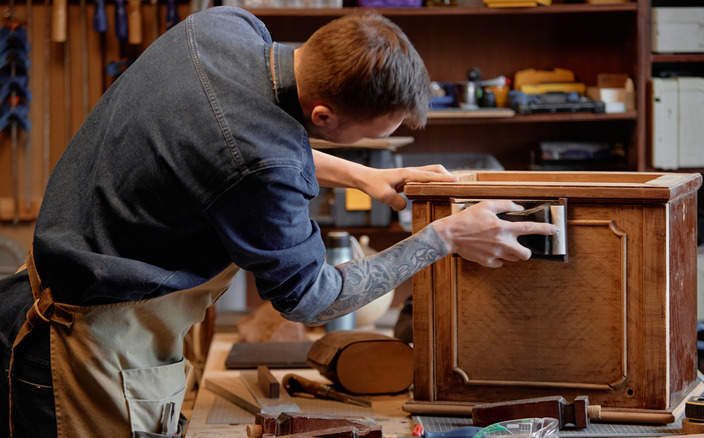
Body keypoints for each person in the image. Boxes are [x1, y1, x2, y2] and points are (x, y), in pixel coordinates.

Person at [0, 6, 557, 437]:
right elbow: (310, 297)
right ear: (322, 117)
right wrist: (444, 237)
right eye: (369, 137)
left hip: (56, 277)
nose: (375, 149)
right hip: (85, 352)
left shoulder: (224, 27)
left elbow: (231, 144)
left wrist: (361, 175)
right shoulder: (261, 160)